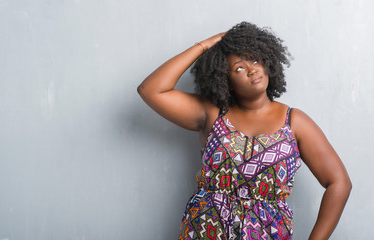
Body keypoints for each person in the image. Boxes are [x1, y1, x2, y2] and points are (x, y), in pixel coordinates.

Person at [137, 22, 352, 240]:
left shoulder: (294, 121)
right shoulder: (212, 114)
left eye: (256, 59)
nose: (252, 69)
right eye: (238, 68)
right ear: (225, 80)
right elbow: (151, 90)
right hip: (205, 230)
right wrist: (204, 46)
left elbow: (339, 183)